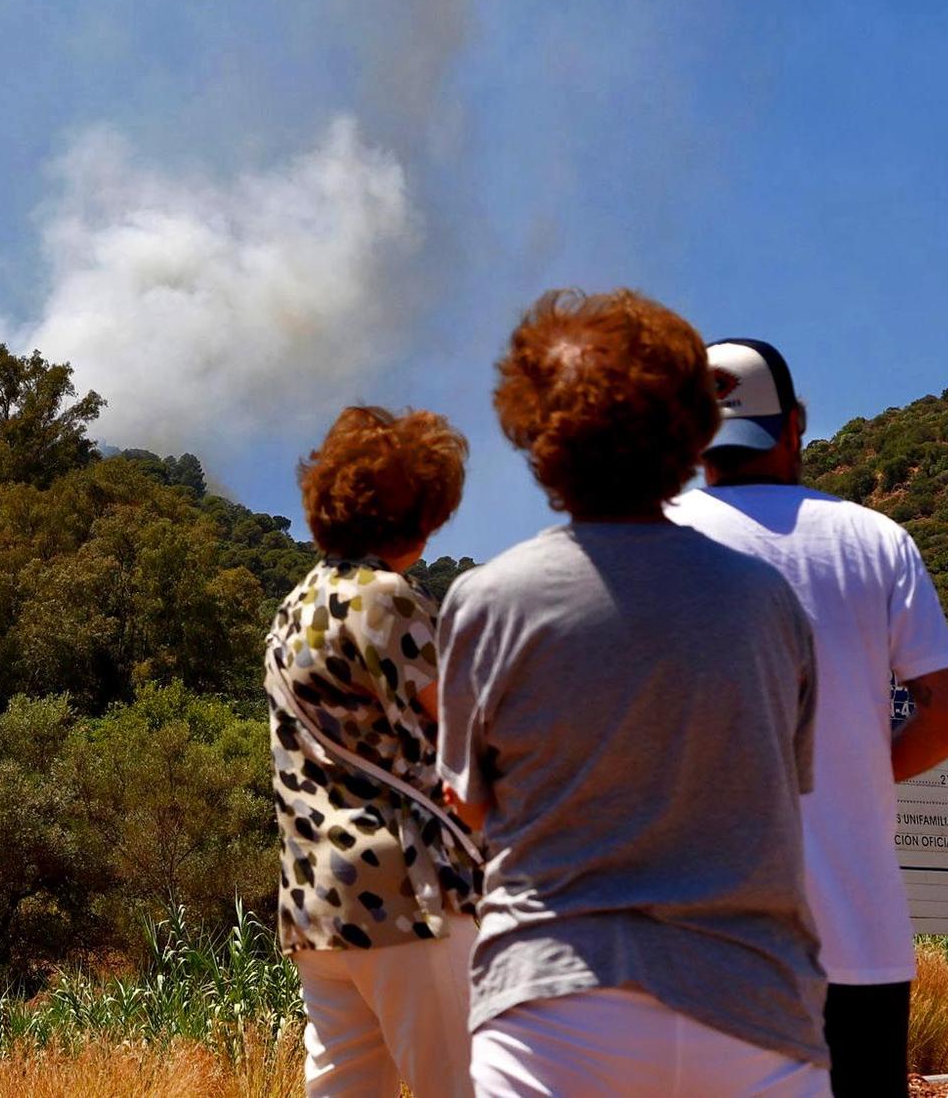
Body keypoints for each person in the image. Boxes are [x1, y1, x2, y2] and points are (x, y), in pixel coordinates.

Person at [436, 289, 829, 1097]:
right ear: (693, 431)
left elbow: (469, 804)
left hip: (552, 1003)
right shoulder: (767, 601)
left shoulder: (486, 600)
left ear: (535, 436)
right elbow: (780, 786)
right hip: (750, 998)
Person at [667, 337, 948, 1097]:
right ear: (796, 422)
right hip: (858, 942)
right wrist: (863, 770)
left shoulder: (650, 540)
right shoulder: (873, 539)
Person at [267, 406, 485, 1097]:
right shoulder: (385, 600)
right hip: (406, 900)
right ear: (418, 515)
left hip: (317, 904)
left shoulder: (296, 606)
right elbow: (471, 737)